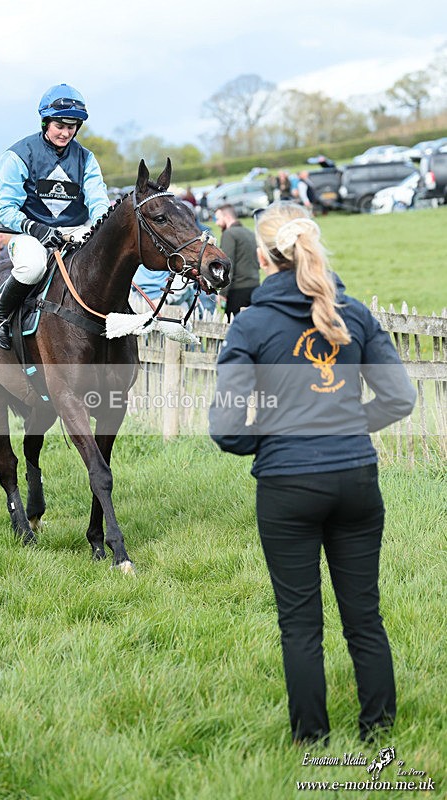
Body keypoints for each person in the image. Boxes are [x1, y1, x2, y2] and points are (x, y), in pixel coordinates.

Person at [209, 201, 417, 745]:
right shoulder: (355, 313)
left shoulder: (251, 324)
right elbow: (400, 398)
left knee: (300, 623)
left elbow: (227, 428)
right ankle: (379, 735)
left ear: (263, 257)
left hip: (288, 486)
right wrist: (346, 425)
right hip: (356, 479)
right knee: (364, 616)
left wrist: (275, 438)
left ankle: (312, 742)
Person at [0, 82, 110, 349]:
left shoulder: (86, 158)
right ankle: (0, 317)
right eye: (59, 126)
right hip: (31, 233)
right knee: (32, 267)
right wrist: (35, 227)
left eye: (72, 127)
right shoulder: (18, 155)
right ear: (45, 122)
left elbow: (98, 200)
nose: (66, 133)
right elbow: (3, 209)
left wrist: (101, 224)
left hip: (75, 229)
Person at [214, 204, 260, 321]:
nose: (217, 223)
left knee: (233, 327)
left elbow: (227, 265)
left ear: (227, 217)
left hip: (237, 292)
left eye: (218, 219)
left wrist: (222, 293)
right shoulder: (250, 233)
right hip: (255, 288)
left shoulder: (229, 234)